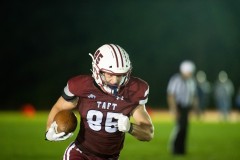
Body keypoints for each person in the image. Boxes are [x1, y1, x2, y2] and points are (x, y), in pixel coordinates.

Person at [45, 44, 154, 160]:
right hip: (80, 153)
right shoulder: (82, 86)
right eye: (110, 74)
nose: (115, 81)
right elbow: (59, 107)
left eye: (120, 75)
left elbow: (148, 133)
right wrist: (49, 130)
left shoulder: (133, 91)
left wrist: (130, 128)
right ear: (97, 70)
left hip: (111, 157)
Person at [167, 60, 198, 155]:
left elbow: (193, 96)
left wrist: (195, 108)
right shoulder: (176, 79)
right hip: (179, 106)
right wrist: (174, 109)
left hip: (186, 107)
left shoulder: (191, 81)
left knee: (185, 128)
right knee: (179, 127)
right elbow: (171, 95)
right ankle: (174, 149)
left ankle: (182, 150)